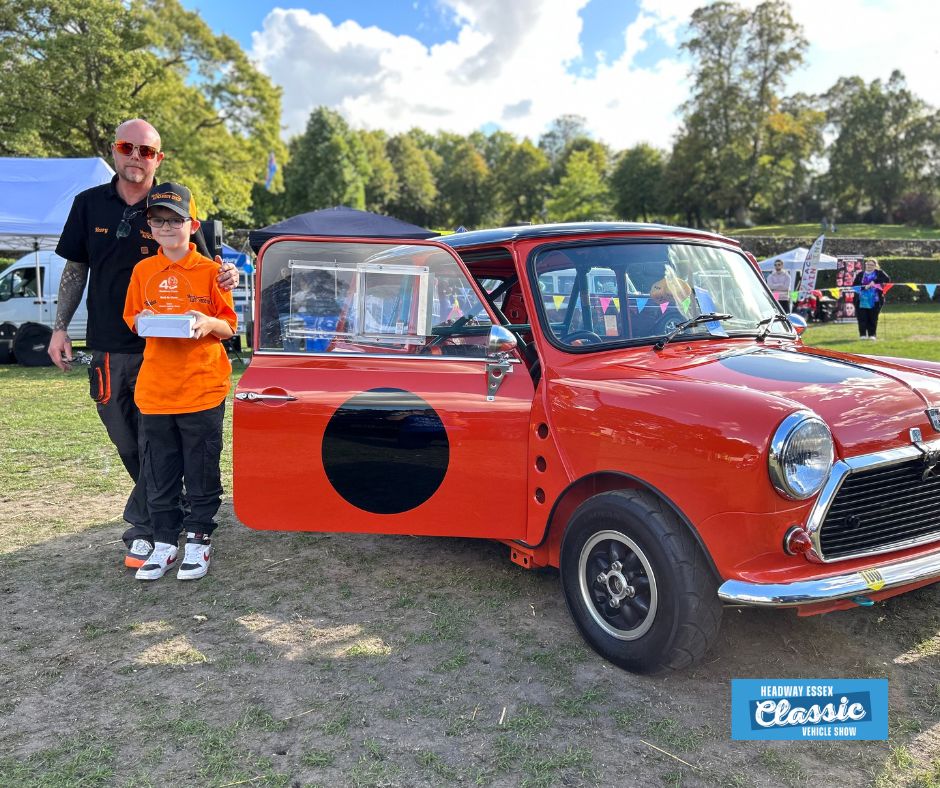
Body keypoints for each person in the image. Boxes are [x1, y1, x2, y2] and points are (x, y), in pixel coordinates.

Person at [50, 119, 238, 569]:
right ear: (115, 151)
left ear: (159, 157)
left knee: (164, 442)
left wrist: (228, 276)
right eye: (126, 147)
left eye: (146, 150)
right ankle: (165, 516)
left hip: (172, 353)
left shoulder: (172, 202)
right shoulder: (89, 204)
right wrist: (60, 327)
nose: (136, 156)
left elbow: (210, 270)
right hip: (111, 345)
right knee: (130, 441)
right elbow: (75, 269)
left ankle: (150, 527)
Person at [123, 182, 236, 580]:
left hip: (202, 388)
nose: (167, 227)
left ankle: (199, 540)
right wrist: (146, 323)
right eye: (159, 221)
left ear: (192, 225)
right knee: (159, 470)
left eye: (176, 220)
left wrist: (206, 323)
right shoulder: (143, 271)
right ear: (149, 227)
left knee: (201, 467)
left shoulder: (213, 272)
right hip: (155, 391)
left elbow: (229, 326)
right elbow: (133, 317)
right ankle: (165, 542)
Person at [852, 258, 890, 340]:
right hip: (861, 300)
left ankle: (872, 335)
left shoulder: (879, 273)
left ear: (875, 266)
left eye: (871, 265)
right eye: (868, 264)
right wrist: (864, 287)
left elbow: (887, 279)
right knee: (862, 318)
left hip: (875, 300)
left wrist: (874, 281)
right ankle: (862, 335)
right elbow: (854, 286)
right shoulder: (860, 274)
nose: (869, 266)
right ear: (865, 265)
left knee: (873, 318)